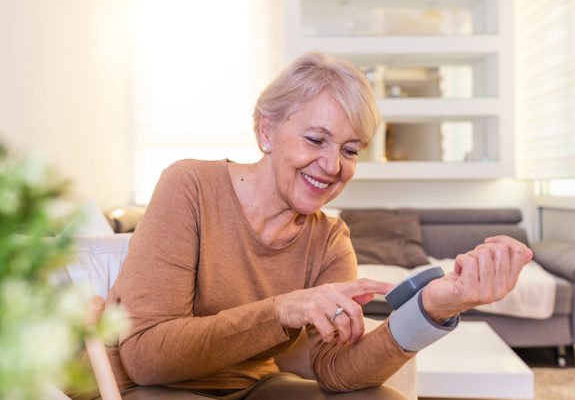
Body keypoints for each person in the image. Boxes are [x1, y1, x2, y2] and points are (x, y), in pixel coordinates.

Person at [102, 52, 532, 400]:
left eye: (349, 150)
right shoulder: (190, 186)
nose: (332, 166)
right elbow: (147, 358)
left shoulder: (330, 241)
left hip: (255, 387)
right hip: (155, 389)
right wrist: (283, 309)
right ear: (266, 131)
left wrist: (433, 308)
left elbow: (337, 371)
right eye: (315, 140)